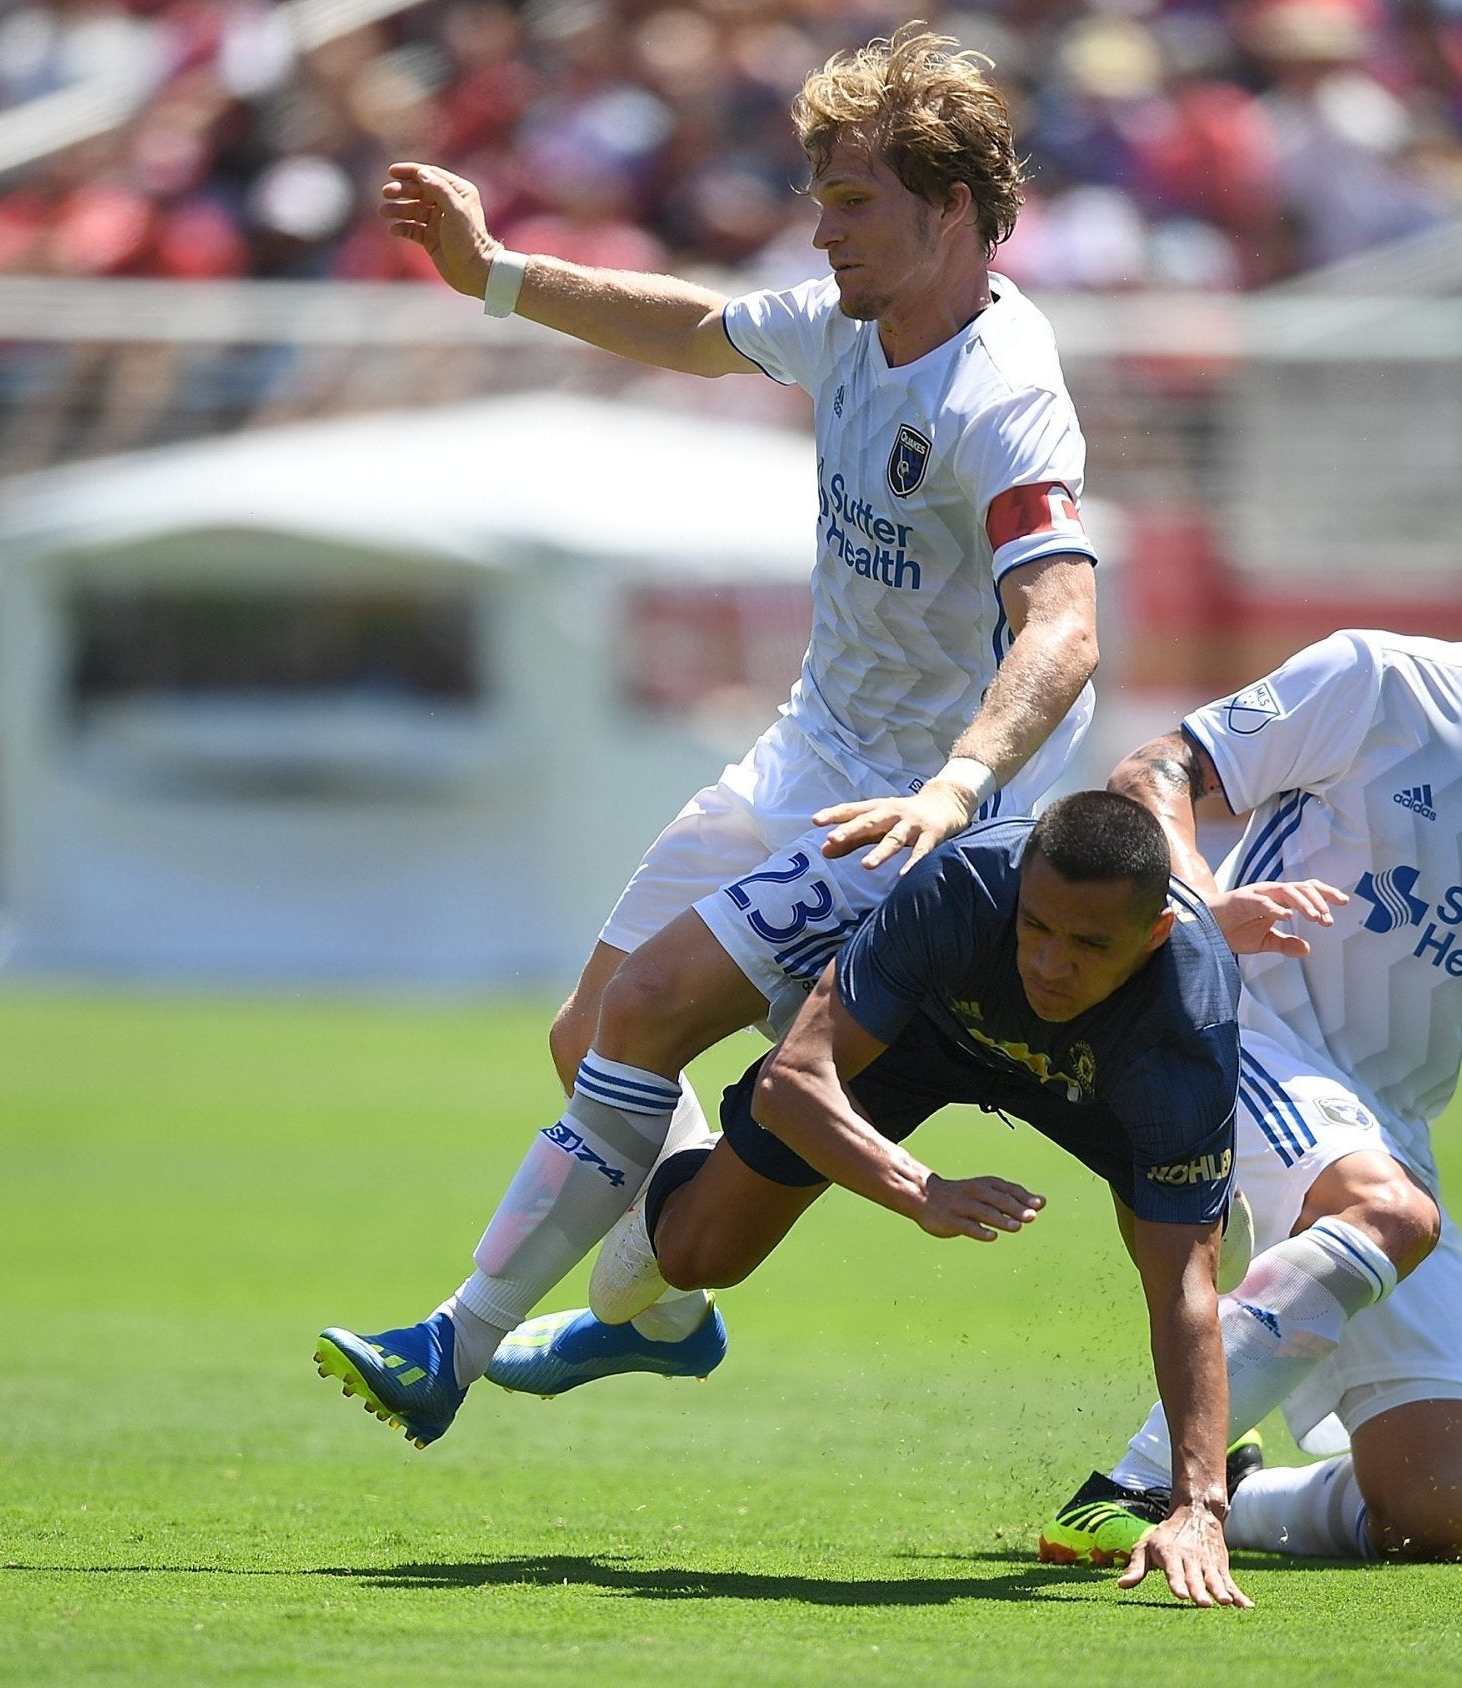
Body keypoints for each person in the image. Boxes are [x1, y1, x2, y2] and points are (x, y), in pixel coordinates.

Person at [316, 26, 1109, 1445]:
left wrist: (958, 785)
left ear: (953, 215)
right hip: (812, 751)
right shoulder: (848, 322)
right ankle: (660, 1308)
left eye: (853, 202)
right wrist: (493, 275)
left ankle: (457, 1341)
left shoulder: (1000, 395)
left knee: (644, 1011)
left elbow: (1063, 627)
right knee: (589, 1038)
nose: (822, 229)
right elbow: (686, 329)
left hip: (917, 812)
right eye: (820, 198)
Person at [1037, 509, 1462, 1575]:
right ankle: (1136, 1490)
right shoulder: (1382, 681)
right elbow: (1155, 770)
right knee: (1389, 1207)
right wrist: (1210, 903)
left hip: (1381, 1121)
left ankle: (1249, 1486)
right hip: (1234, 1026)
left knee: (1435, 1509)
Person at [504, 791, 1260, 1608]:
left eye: (1088, 944)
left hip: (1098, 1082)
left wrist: (1198, 1506)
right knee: (692, 1256)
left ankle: (1210, 1421)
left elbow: (1183, 1287)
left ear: (1154, 935)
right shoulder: (963, 886)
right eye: (1035, 927)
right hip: (920, 1039)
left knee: (1196, 1254)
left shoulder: (1188, 1023)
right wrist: (917, 1188)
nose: (1048, 963)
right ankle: (676, 1196)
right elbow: (795, 1079)